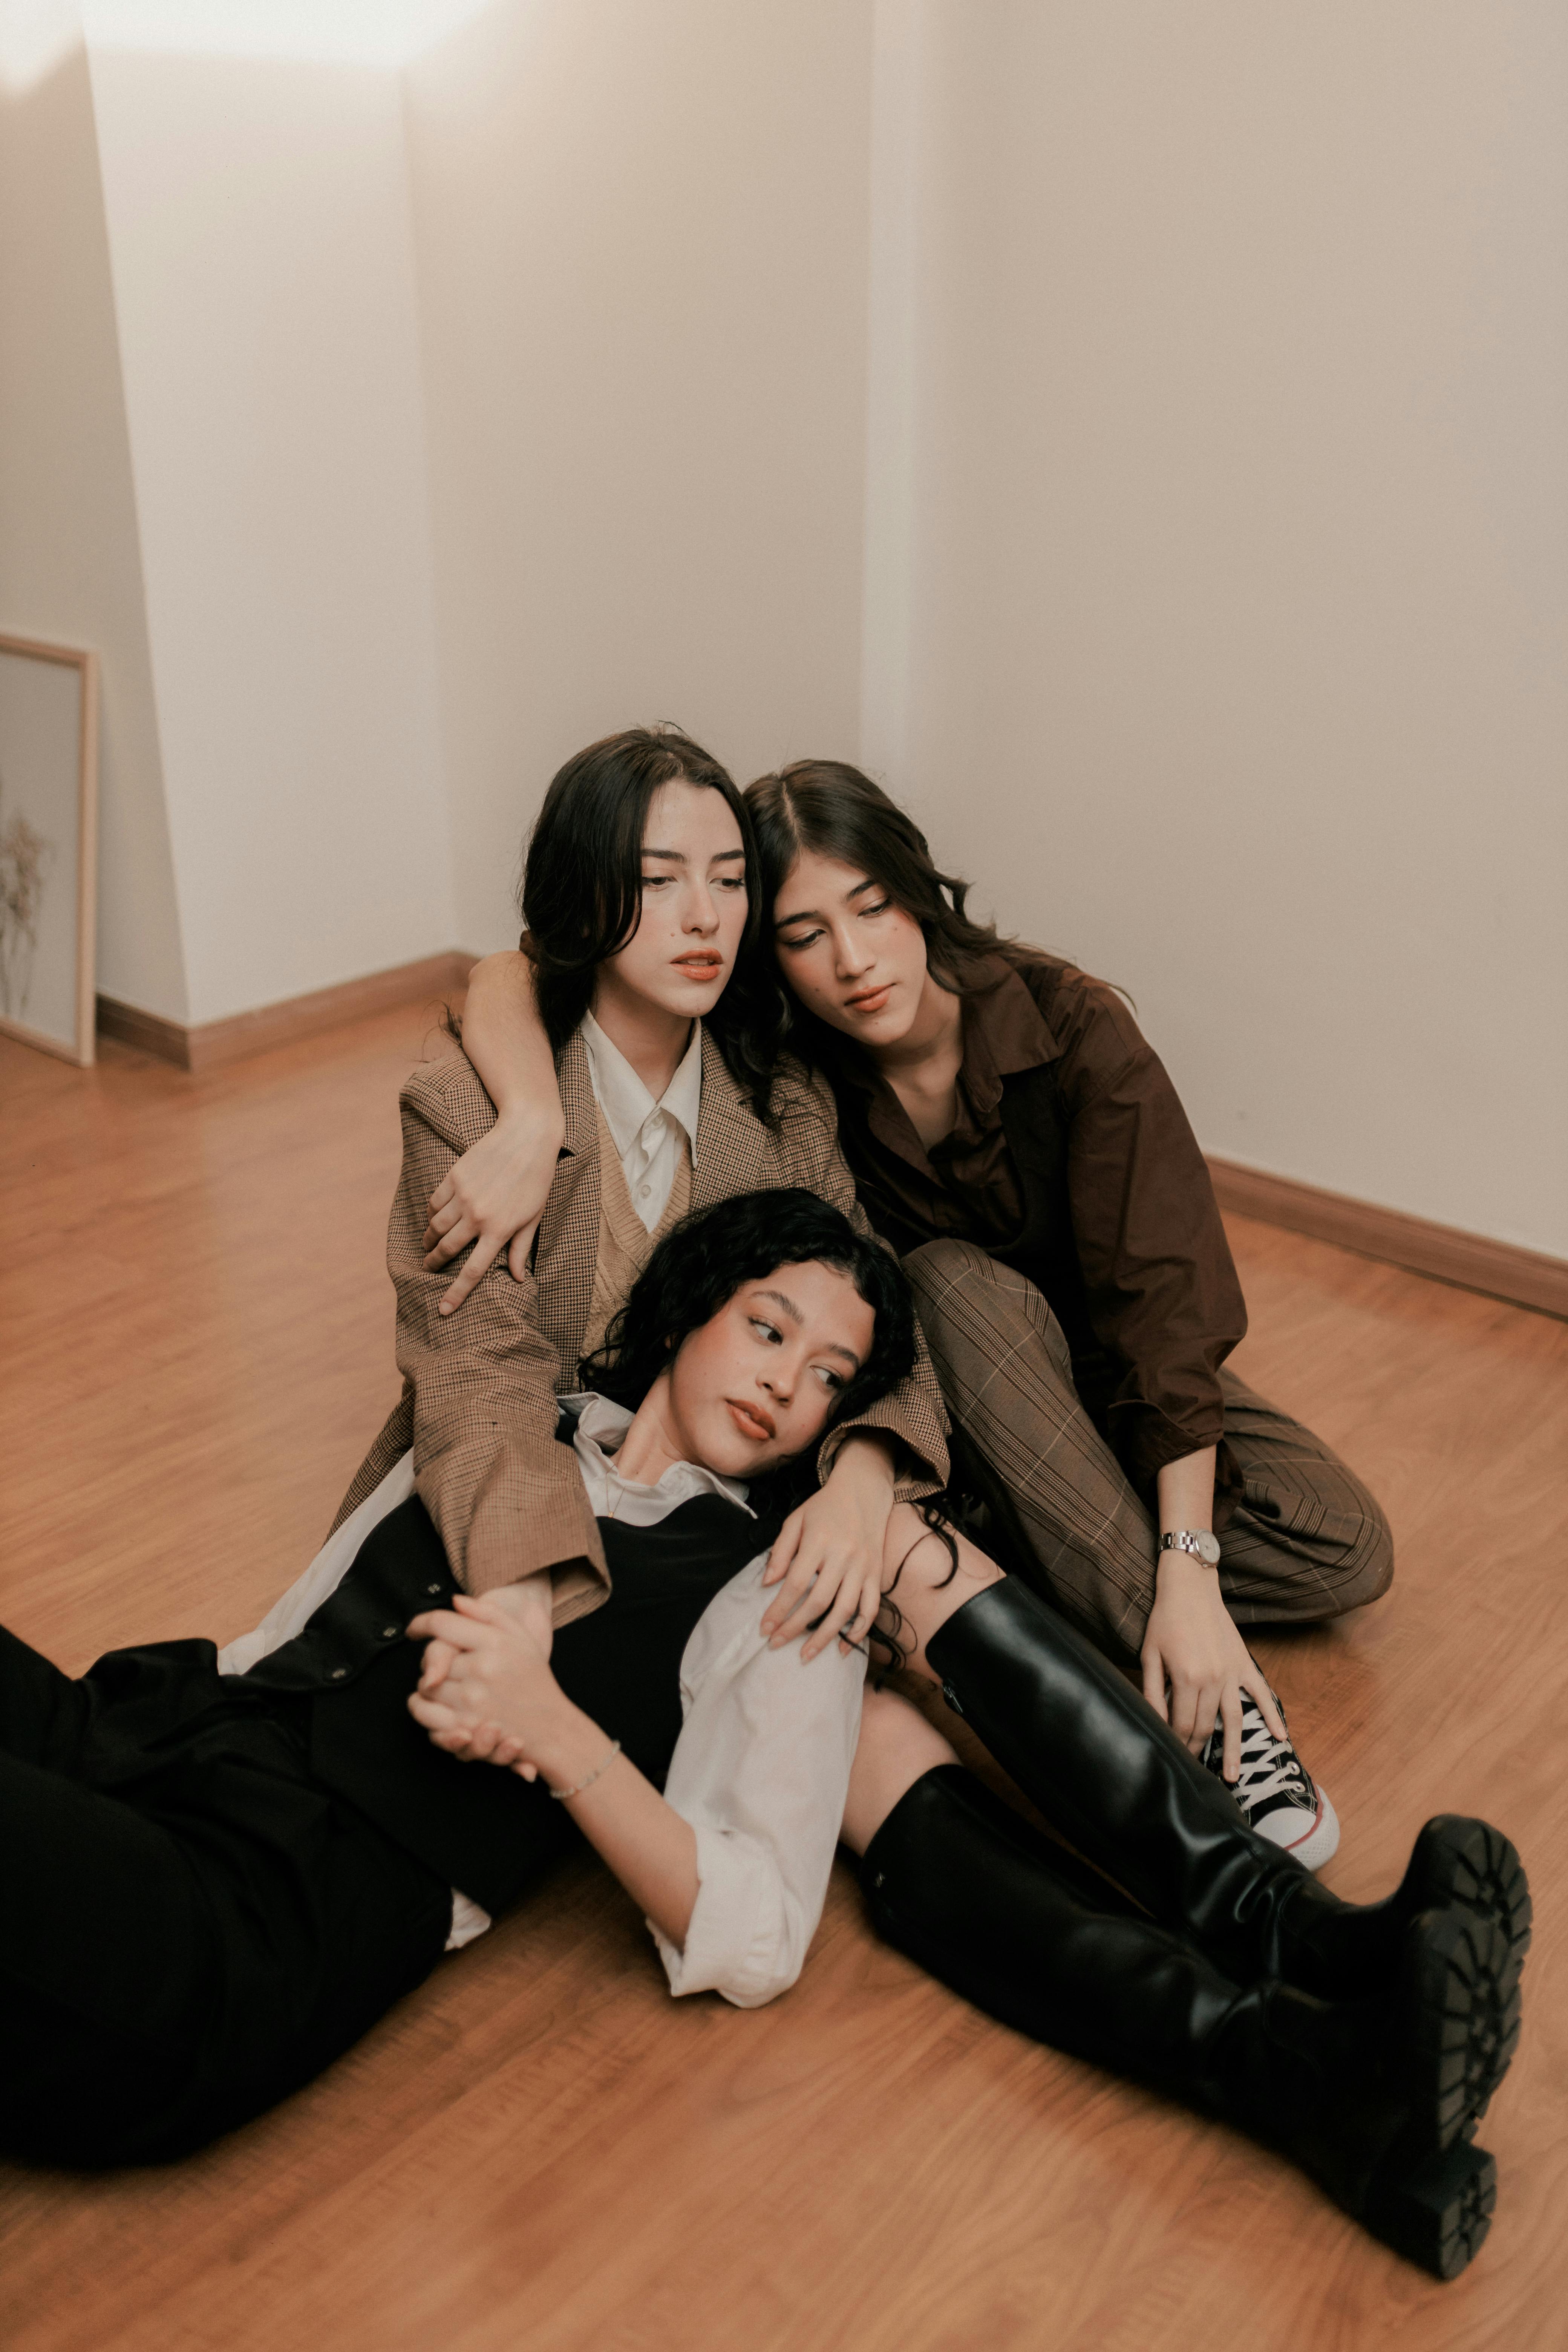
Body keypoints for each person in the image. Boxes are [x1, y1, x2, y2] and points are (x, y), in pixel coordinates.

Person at [447, 758, 1394, 1863]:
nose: (851, 962)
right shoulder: (795, 1067)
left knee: (1343, 1550)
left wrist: (1190, 1567)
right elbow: (506, 971)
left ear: (919, 894)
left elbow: (1164, 1309)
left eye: (872, 909)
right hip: (946, 1387)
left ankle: (1059, 1562)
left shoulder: (1072, 1027)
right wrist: (522, 1114)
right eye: (803, 936)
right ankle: (1219, 1723)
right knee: (945, 1279)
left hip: (1098, 1383)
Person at [0, 1193, 918, 2166]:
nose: (783, 1382)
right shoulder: (507, 1428)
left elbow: (761, 1934)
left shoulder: (774, 1585)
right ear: (692, 1309)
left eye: (826, 1377)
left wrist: (553, 1730)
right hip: (142, 1737)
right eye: (768, 1329)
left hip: (254, 1915)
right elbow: (295, 1624)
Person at [340, 725, 949, 1671]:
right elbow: (476, 1375)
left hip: (717, 1498)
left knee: (917, 1568)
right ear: (587, 891)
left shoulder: (784, 1109)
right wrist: (522, 1610)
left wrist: (865, 1476)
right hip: (509, 1510)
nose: (703, 917)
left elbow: (878, 1320)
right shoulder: (468, 1103)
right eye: (659, 880)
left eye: (730, 879)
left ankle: (1219, 1793)